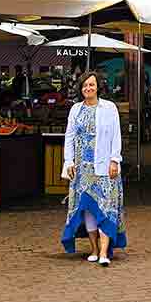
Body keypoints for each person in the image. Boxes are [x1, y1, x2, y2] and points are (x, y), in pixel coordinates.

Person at [61, 71, 126, 266]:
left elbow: (116, 135)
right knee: (88, 209)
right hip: (82, 169)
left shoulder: (109, 108)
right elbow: (69, 136)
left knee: (105, 208)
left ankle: (105, 252)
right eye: (84, 86)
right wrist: (68, 161)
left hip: (105, 167)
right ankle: (94, 249)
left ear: (98, 87)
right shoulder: (75, 110)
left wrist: (115, 160)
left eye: (91, 85)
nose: (88, 88)